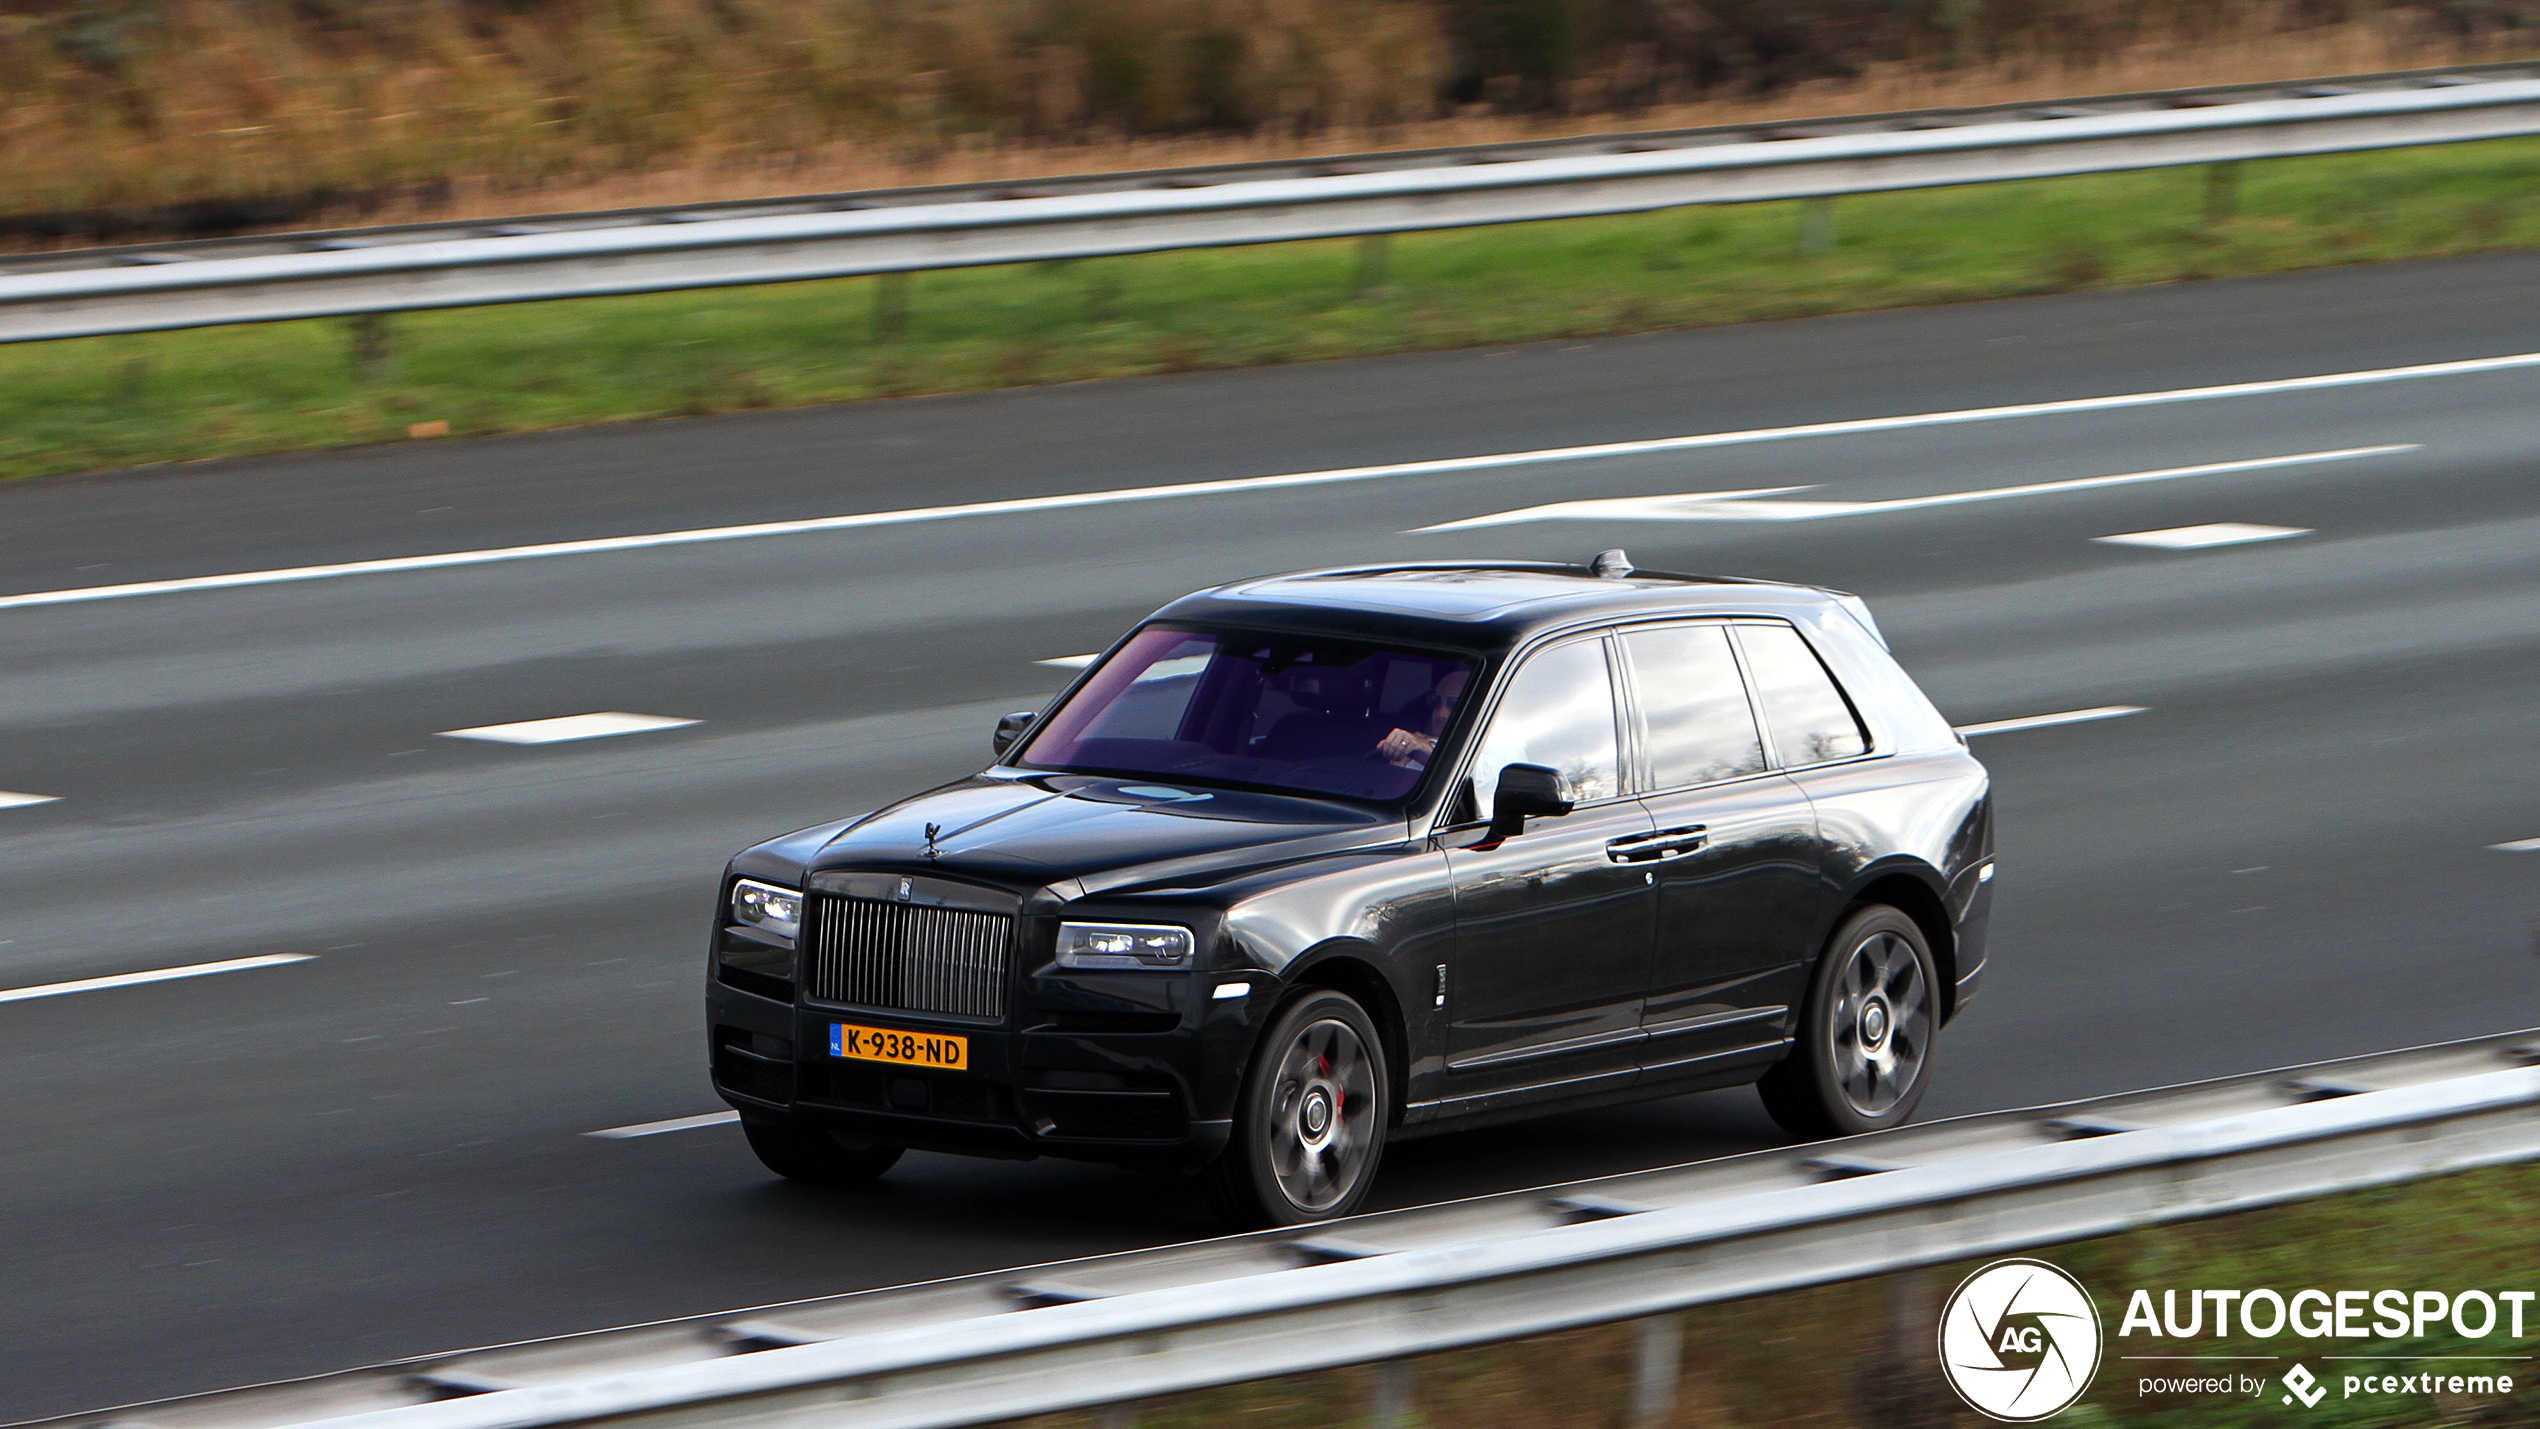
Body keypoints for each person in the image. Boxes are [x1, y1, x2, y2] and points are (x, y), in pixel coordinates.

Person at [1374, 669, 1468, 770]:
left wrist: (1421, 748)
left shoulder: (1483, 748)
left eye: (1455, 704)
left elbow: (1471, 769)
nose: (1442, 714)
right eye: (1435, 702)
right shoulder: (1415, 744)